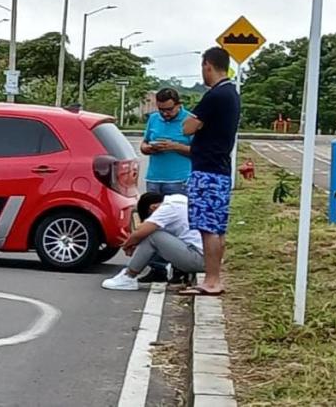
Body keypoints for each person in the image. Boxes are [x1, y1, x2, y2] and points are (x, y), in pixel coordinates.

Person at [180, 47, 241, 296]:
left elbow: (187, 127)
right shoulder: (232, 93)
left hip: (207, 170)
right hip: (221, 169)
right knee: (217, 227)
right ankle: (214, 278)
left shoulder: (215, 96)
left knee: (208, 228)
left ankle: (212, 280)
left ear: (208, 65)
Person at [101, 192, 204, 291]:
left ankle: (128, 277)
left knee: (152, 235)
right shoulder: (178, 199)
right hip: (204, 256)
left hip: (198, 259)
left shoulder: (168, 208)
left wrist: (127, 245)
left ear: (153, 208)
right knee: (156, 234)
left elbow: (141, 232)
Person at [141, 88, 193, 195]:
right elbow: (144, 143)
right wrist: (147, 148)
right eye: (161, 110)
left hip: (180, 180)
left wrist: (174, 146)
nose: (165, 113)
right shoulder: (153, 118)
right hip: (153, 179)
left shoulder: (191, 120)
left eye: (169, 109)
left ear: (178, 105)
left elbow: (200, 152)